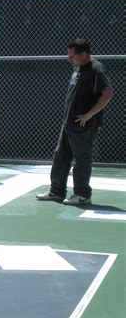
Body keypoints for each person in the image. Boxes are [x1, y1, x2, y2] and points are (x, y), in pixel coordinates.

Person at [36, 39, 115, 205]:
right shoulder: (78, 67)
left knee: (82, 159)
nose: (69, 59)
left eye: (72, 56)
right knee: (60, 157)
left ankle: (82, 194)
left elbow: (108, 93)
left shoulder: (96, 69)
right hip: (68, 123)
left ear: (84, 54)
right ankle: (56, 192)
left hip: (83, 125)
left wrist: (89, 115)